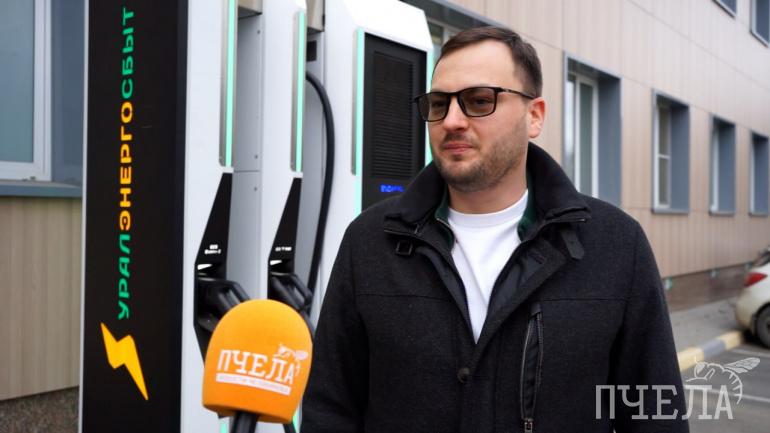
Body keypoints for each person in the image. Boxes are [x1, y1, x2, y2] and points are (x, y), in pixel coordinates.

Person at [301, 26, 688, 433]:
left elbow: (653, 412)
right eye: (439, 104)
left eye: (479, 101)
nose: (452, 121)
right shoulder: (370, 241)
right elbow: (330, 408)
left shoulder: (615, 245)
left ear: (534, 116)